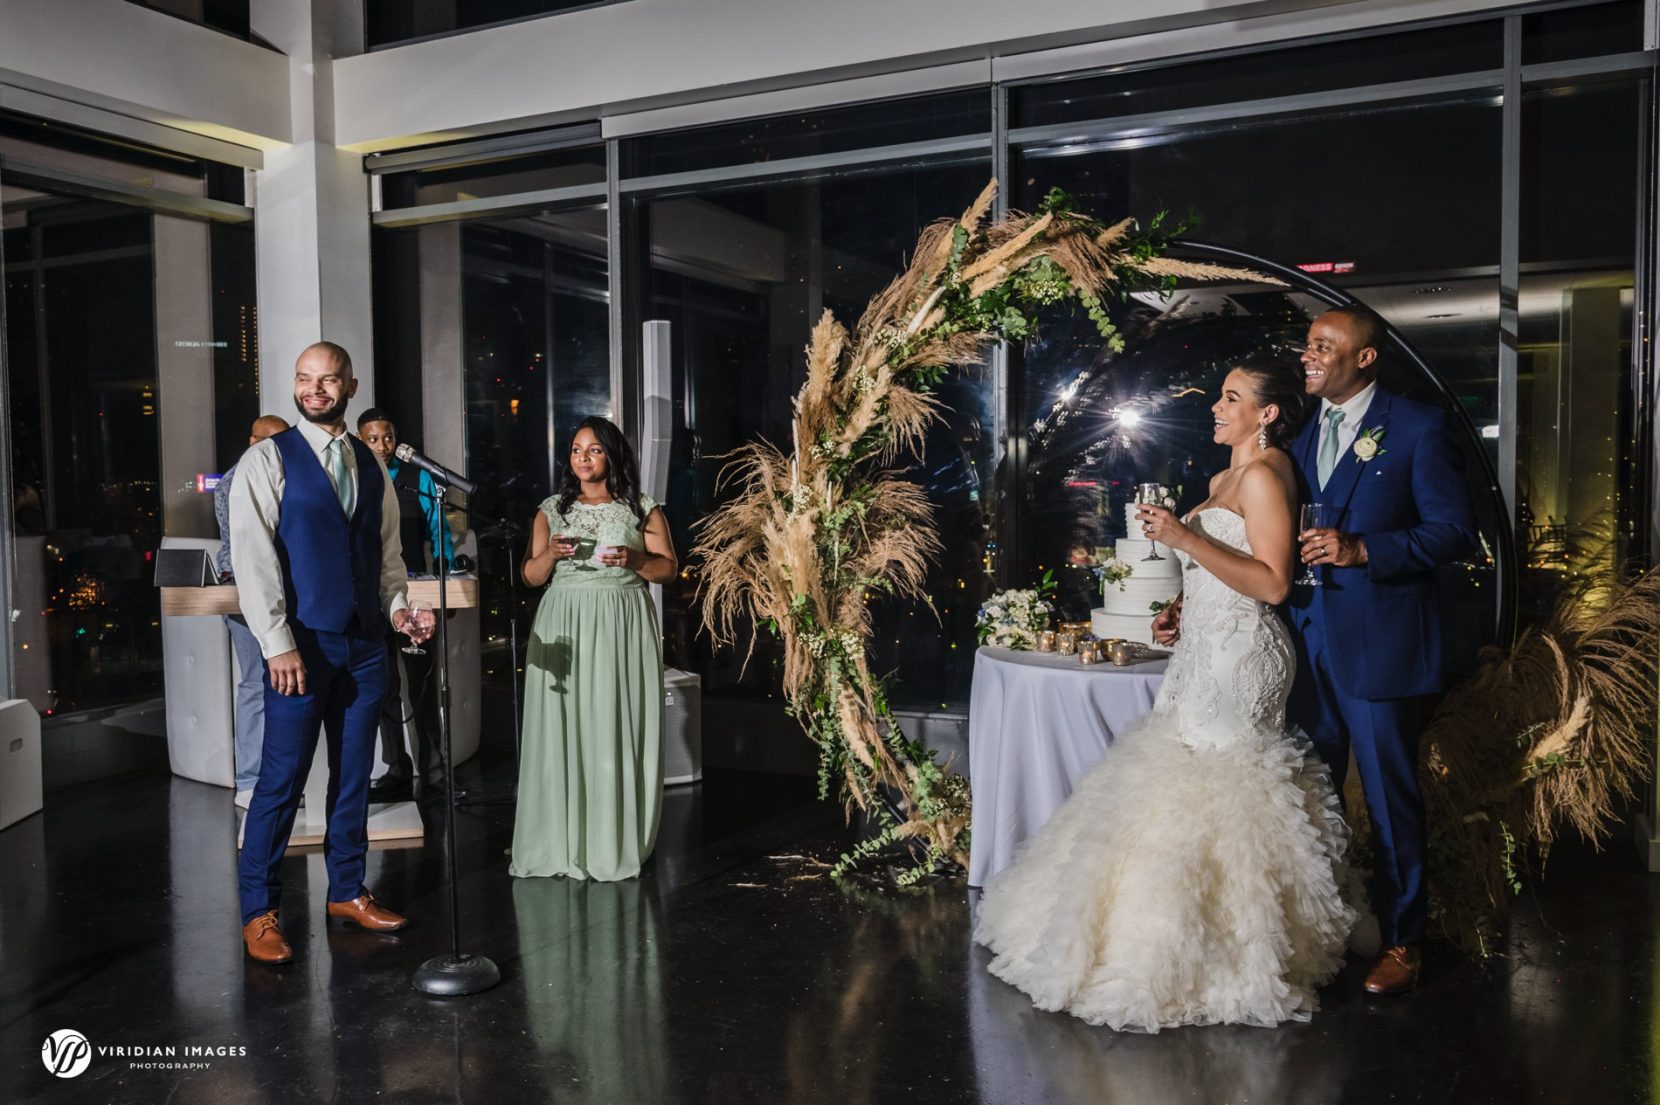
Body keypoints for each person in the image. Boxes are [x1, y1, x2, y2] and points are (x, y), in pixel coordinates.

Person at [974, 357, 1354, 1031]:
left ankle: (1235, 951)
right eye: (1220, 396)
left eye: (1231, 398)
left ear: (1266, 414)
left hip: (1241, 657)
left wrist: (1181, 536)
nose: (1216, 407)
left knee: (1224, 790)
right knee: (1177, 786)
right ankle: (1157, 932)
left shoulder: (1267, 474)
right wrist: (1181, 608)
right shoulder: (1220, 480)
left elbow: (1272, 583)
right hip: (1199, 652)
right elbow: (1220, 571)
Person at [1286, 304, 1478, 995]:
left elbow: (1455, 532)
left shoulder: (1418, 425)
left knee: (1390, 798)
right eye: (1308, 344)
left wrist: (1365, 549)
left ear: (1365, 357)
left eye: (1324, 345)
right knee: (1313, 794)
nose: (1309, 355)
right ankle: (1329, 927)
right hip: (1305, 642)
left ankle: (1402, 939)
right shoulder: (1303, 431)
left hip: (1381, 645)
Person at [229, 342, 432, 964]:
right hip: (302, 647)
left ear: (350, 385)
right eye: (304, 379)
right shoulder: (267, 459)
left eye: (327, 379)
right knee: (279, 784)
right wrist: (277, 644)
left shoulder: (371, 464)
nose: (314, 389)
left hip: (365, 646)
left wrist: (400, 611)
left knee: (352, 779)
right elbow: (252, 561)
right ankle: (258, 912)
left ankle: (346, 890)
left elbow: (388, 558)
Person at [511, 416, 677, 881]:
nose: (583, 458)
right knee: (562, 725)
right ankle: (559, 841)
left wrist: (635, 559)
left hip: (620, 621)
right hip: (564, 620)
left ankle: (608, 840)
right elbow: (530, 576)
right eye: (576, 449)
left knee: (610, 721)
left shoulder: (641, 507)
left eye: (594, 450)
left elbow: (668, 570)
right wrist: (551, 554)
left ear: (612, 455)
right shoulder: (551, 509)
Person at [355, 408, 456, 804]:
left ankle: (434, 772)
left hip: (415, 594)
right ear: (360, 441)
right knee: (384, 688)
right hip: (370, 599)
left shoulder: (419, 479)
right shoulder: (356, 480)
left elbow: (438, 530)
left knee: (423, 686)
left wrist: (446, 572)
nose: (382, 445)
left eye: (388, 437)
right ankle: (396, 769)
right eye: (372, 439)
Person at [215, 414, 291, 809]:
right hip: (244, 593)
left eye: (283, 443)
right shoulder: (235, 480)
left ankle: (279, 779)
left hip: (281, 593)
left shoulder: (286, 476)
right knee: (255, 684)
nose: (277, 451)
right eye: (268, 442)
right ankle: (249, 780)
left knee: (277, 685)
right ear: (252, 441)